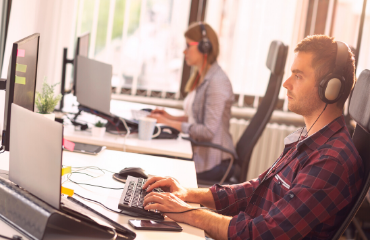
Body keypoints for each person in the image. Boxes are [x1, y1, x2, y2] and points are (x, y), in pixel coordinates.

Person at [142, 35, 364, 240]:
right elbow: (256, 189)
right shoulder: (310, 139)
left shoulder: (331, 161)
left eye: (298, 76)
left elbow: (262, 234)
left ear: (331, 88)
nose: (287, 83)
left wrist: (189, 212)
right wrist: (188, 194)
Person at [148, 22, 236, 181]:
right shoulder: (203, 76)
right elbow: (196, 118)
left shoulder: (217, 82)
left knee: (155, 166)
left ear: (205, 47)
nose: (184, 51)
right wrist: (168, 117)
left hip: (212, 162)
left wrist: (169, 123)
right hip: (200, 154)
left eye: (188, 45)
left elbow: (207, 131)